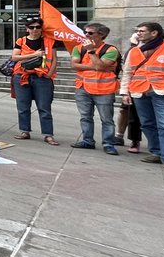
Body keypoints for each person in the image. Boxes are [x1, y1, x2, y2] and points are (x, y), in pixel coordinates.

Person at [121, 21, 164, 174]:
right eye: (137, 31)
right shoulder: (134, 51)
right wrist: (124, 92)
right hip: (139, 92)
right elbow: (127, 72)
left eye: (142, 31)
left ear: (154, 33)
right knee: (147, 124)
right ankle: (157, 152)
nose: (138, 33)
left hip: (163, 92)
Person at [70, 23, 120, 155]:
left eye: (90, 33)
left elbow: (101, 66)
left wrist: (91, 51)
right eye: (85, 32)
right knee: (85, 117)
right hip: (83, 88)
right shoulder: (78, 48)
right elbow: (74, 65)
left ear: (101, 35)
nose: (86, 35)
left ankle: (108, 144)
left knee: (107, 119)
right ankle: (87, 141)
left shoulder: (111, 50)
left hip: (104, 90)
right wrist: (96, 66)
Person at [11, 16, 59, 145]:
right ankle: (24, 131)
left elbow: (54, 59)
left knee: (44, 107)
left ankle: (48, 135)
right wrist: (34, 54)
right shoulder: (21, 41)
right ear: (27, 29)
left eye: (38, 27)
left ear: (41, 28)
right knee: (23, 106)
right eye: (31, 27)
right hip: (22, 76)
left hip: (42, 77)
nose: (35, 29)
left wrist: (50, 74)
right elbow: (14, 57)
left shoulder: (49, 41)